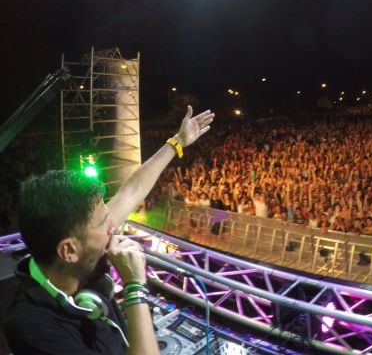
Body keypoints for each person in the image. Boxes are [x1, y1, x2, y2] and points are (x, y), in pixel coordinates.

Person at [4, 106, 214, 355]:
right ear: (69, 250)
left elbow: (131, 191)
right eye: (104, 223)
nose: (114, 225)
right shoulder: (34, 329)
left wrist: (177, 142)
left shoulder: (81, 249)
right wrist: (135, 288)